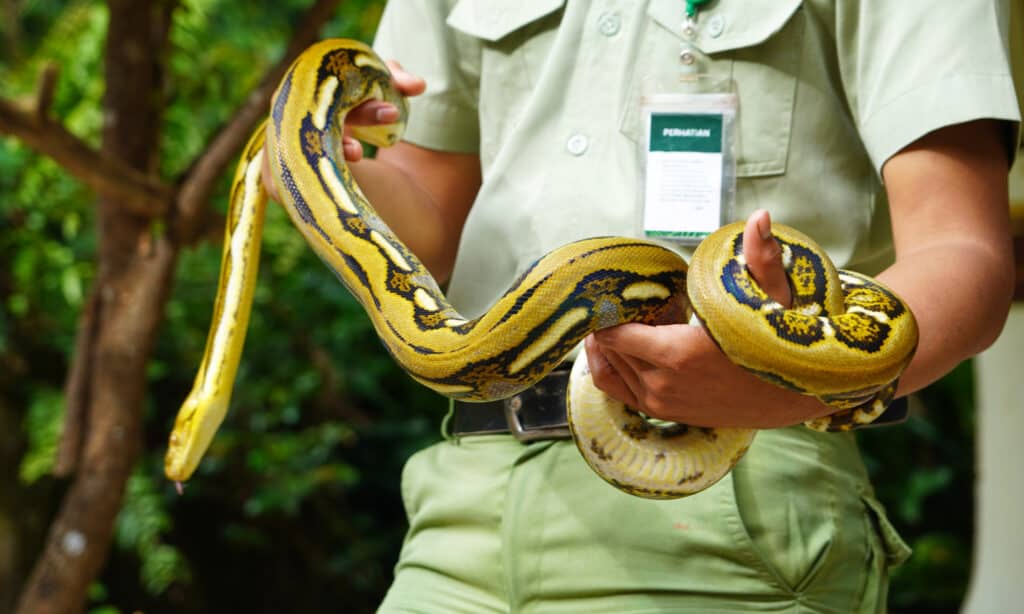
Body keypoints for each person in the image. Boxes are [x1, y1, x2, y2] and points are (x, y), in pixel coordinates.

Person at [275, 1, 1021, 611]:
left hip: (734, 498)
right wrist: (317, 168)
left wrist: (784, 377)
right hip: (465, 494)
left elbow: (968, 251)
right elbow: (432, 223)